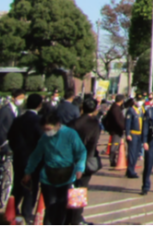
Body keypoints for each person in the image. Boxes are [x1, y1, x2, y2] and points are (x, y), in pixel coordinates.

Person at [23, 111, 87, 226]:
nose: (47, 132)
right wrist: (28, 171)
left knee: (62, 208)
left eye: (48, 129)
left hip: (67, 176)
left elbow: (81, 152)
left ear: (57, 124)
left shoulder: (70, 134)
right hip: (48, 177)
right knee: (50, 207)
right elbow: (36, 155)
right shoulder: (44, 138)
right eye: (44, 130)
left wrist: (79, 168)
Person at [8, 93, 44, 226]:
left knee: (17, 184)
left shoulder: (17, 120)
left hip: (19, 157)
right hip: (34, 160)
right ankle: (27, 214)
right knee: (31, 187)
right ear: (39, 105)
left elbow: (10, 137)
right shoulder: (39, 121)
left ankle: (12, 210)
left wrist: (16, 150)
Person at [68, 97, 101, 226]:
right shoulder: (94, 124)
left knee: (70, 188)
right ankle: (76, 220)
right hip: (84, 161)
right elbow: (92, 145)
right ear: (94, 109)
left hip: (70, 159)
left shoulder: (73, 123)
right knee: (80, 190)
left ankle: (68, 218)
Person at [124, 94, 145, 178]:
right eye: (138, 100)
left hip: (140, 134)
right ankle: (130, 171)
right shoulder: (131, 110)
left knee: (136, 153)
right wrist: (128, 134)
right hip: (133, 134)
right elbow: (127, 123)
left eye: (141, 101)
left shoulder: (142, 110)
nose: (139, 102)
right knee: (132, 153)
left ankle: (131, 169)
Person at [104, 94, 126, 167]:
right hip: (116, 130)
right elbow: (118, 121)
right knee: (114, 146)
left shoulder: (116, 107)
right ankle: (112, 161)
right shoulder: (115, 109)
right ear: (121, 100)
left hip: (116, 130)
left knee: (117, 145)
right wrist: (123, 128)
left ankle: (114, 160)